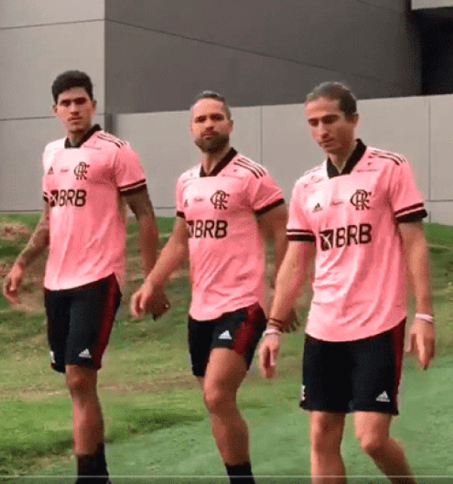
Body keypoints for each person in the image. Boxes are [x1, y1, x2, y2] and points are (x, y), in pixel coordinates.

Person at [258, 82, 436, 484]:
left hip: (378, 321)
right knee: (321, 434)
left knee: (372, 439)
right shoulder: (306, 186)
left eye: (330, 120)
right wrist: (273, 324)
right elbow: (295, 260)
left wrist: (424, 315)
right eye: (314, 123)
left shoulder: (390, 167)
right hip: (324, 326)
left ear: (353, 120)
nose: (322, 130)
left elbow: (414, 242)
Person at [2, 70, 168, 483]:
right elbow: (48, 218)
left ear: (93, 104)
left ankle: (87, 476)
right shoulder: (51, 155)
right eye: (66, 103)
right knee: (74, 383)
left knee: (80, 377)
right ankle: (98, 474)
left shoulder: (116, 151)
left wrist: (152, 279)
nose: (74, 109)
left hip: (98, 278)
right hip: (56, 283)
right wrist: (22, 263)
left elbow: (145, 214)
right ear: (55, 110)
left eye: (81, 101)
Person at [131, 91, 289, 483]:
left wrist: (282, 289)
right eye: (201, 120)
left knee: (217, 393)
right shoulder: (186, 182)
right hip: (201, 308)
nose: (209, 125)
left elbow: (282, 233)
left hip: (244, 303)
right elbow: (180, 241)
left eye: (216, 117)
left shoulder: (252, 176)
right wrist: (152, 281)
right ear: (191, 130)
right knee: (215, 402)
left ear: (230, 125)